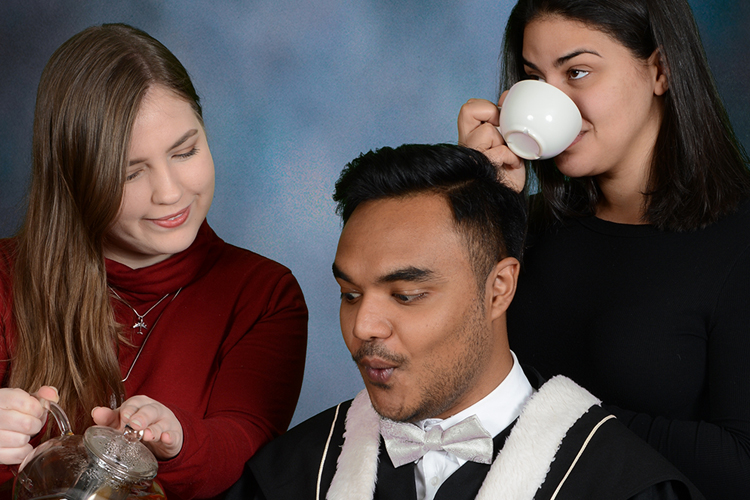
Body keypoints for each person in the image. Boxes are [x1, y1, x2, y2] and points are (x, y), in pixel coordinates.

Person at [228, 143, 703, 500]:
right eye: (350, 294)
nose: (363, 326)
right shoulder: (290, 476)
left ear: (498, 289)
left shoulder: (621, 484)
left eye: (407, 295)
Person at [456, 0, 750, 497]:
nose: (555, 102)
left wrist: (544, 418)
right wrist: (485, 211)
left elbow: (740, 465)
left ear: (660, 70)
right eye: (535, 79)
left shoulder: (736, 242)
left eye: (577, 72)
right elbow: (450, 386)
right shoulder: (527, 230)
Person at [0, 24, 307, 499]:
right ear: (76, 179)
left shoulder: (264, 292)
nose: (169, 192)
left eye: (185, 151)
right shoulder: (5, 279)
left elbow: (249, 447)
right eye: (130, 172)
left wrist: (178, 441)